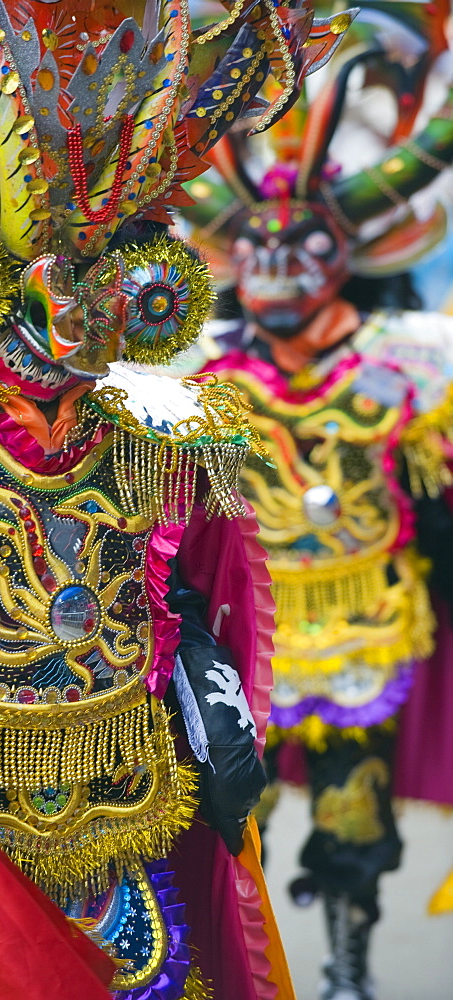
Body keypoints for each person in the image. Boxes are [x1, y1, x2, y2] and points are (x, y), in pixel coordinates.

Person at [0, 1, 354, 997]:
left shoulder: (149, 425)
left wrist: (212, 701)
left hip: (124, 794)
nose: (64, 333)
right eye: (30, 297)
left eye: (96, 295)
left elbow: (170, 592)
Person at [184, 37, 453, 1000]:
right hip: (233, 630)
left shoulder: (403, 366)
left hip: (360, 623)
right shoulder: (203, 376)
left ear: (348, 257)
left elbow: (436, 504)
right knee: (219, 804)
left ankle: (344, 963)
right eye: (258, 247)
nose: (278, 267)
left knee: (350, 812)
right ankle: (231, 960)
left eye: (303, 248)